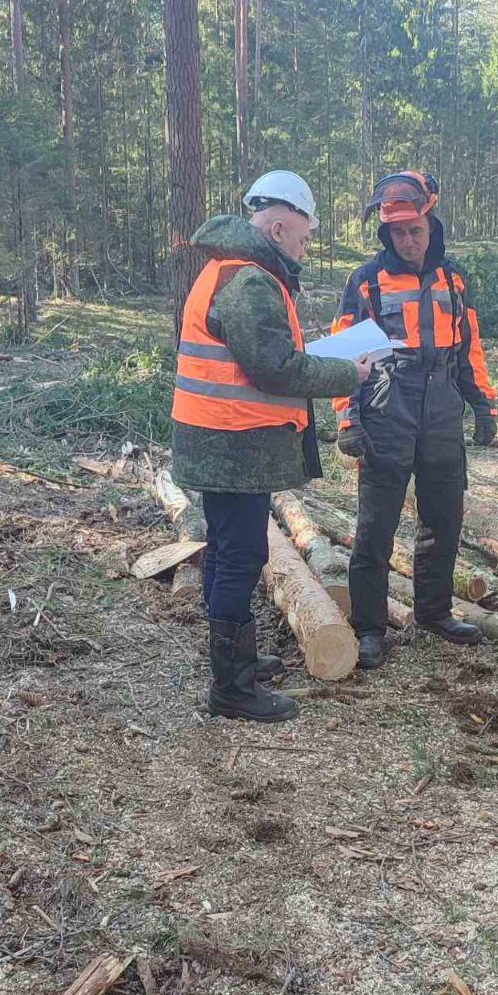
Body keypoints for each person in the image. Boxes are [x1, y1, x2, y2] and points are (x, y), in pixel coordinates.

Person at [172, 170, 371, 723]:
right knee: (241, 557)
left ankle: (233, 664)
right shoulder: (250, 280)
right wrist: (347, 373)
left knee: (227, 552)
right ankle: (231, 690)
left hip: (222, 440)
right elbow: (274, 367)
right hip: (232, 443)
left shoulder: (232, 270)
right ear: (280, 226)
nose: (305, 247)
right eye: (305, 237)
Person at [332, 170, 497, 670]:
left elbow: (469, 348)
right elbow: (344, 356)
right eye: (397, 232)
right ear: (385, 233)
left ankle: (433, 610)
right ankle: (368, 626)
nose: (407, 241)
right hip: (388, 401)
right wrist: (347, 419)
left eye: (415, 231)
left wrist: (483, 404)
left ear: (431, 225)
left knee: (444, 515)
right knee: (376, 524)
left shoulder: (453, 278)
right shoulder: (365, 282)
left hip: (442, 401)